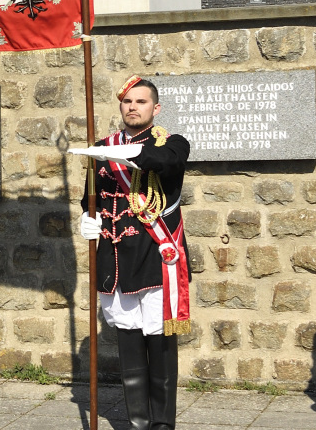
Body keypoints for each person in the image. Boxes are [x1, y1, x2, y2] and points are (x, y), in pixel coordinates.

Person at [68, 76, 191, 430]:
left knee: (160, 342)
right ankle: (138, 421)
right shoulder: (102, 147)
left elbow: (166, 163)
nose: (132, 107)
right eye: (127, 101)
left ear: (155, 108)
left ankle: (162, 424)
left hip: (155, 255)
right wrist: (86, 218)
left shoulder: (171, 143)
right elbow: (90, 196)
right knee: (129, 342)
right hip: (116, 260)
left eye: (140, 101)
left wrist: (119, 151)